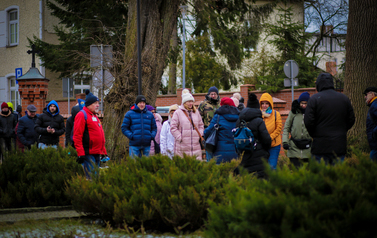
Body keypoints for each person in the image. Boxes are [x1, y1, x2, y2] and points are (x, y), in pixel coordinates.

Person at [304, 72, 355, 164]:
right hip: (339, 145)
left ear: (318, 84)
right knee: (337, 176)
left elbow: (308, 121)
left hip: (320, 146)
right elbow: (351, 119)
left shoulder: (314, 99)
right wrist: (342, 130)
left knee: (320, 176)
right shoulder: (344, 98)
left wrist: (314, 134)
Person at [234, 93, 271, 178]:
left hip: (243, 155)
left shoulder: (240, 120)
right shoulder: (259, 121)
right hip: (259, 155)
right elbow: (266, 139)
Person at [73, 90, 107, 179]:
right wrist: (80, 153)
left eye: (98, 103)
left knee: (96, 178)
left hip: (97, 153)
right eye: (95, 103)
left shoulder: (94, 116)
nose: (98, 105)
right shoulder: (82, 115)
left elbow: (100, 136)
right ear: (88, 105)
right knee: (92, 178)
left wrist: (103, 151)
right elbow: (77, 135)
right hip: (88, 153)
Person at [171, 89, 204, 161]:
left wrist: (199, 135)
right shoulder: (178, 113)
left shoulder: (196, 112)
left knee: (196, 168)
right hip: (182, 147)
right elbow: (173, 127)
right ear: (184, 102)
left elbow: (201, 125)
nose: (191, 103)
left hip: (196, 147)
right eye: (189, 101)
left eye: (192, 101)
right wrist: (180, 137)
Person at [204, 97, 240, 164]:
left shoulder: (218, 116)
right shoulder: (239, 117)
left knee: (220, 172)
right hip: (236, 152)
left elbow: (207, 131)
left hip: (219, 152)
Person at [282, 92, 312, 168]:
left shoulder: (311, 113)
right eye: (302, 103)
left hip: (308, 148)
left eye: (306, 103)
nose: (304, 105)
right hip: (294, 148)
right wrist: (285, 142)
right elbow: (286, 128)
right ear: (299, 103)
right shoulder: (293, 113)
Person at [260, 92, 282, 170]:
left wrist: (270, 137)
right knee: (262, 168)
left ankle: (273, 182)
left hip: (274, 145)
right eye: (262, 103)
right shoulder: (258, 115)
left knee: (272, 167)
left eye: (267, 103)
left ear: (270, 104)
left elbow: (279, 128)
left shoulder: (276, 114)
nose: (264, 105)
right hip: (262, 145)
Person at [198, 86, 221, 161]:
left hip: (219, 132)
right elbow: (199, 119)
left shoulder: (220, 105)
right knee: (209, 153)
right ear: (208, 94)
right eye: (211, 94)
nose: (213, 96)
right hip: (208, 133)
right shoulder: (203, 105)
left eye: (215, 94)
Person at [363, 87, 377, 161]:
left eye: (366, 94)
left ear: (372, 94)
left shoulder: (375, 105)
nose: (365, 97)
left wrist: (374, 133)